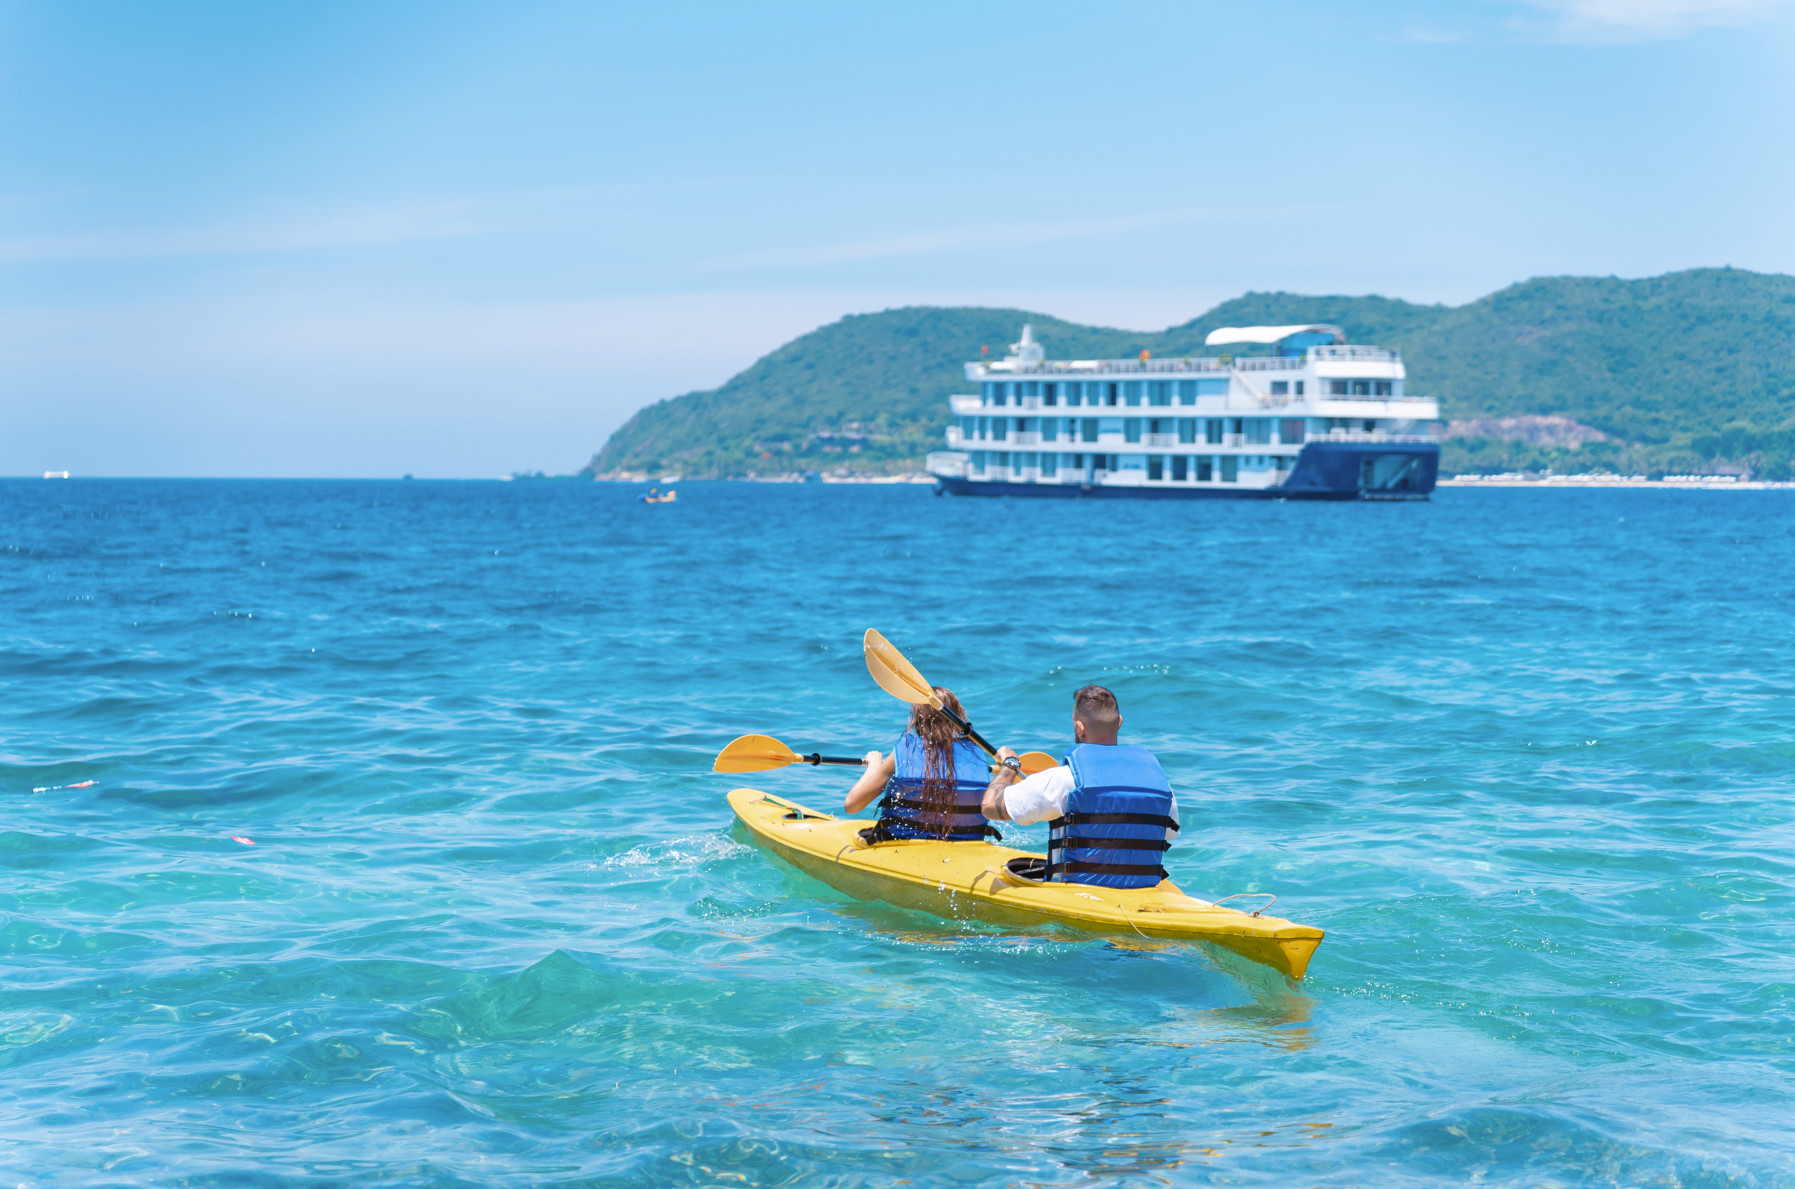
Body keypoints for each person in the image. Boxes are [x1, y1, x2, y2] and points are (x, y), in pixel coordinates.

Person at [981, 684, 1179, 888]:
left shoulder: (1064, 779)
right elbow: (1169, 833)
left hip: (1079, 893)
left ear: (1080, 728)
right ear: (1119, 723)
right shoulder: (1160, 785)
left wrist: (1009, 766)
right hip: (1141, 892)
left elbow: (989, 807)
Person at [844, 686, 1001, 842]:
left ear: (918, 718)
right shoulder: (976, 754)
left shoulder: (905, 752)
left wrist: (874, 766)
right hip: (965, 846)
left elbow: (852, 805)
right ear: (958, 717)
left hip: (902, 844)